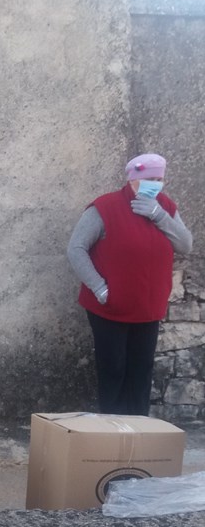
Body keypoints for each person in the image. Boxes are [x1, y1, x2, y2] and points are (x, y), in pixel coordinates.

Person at [67, 152, 192, 415]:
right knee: (113, 371)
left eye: (159, 179)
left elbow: (185, 245)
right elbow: (76, 248)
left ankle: (138, 429)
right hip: (110, 307)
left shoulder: (165, 207)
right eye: (149, 179)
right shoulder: (105, 207)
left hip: (148, 309)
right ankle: (112, 430)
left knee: (141, 372)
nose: (155, 184)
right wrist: (99, 287)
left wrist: (159, 215)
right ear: (132, 178)